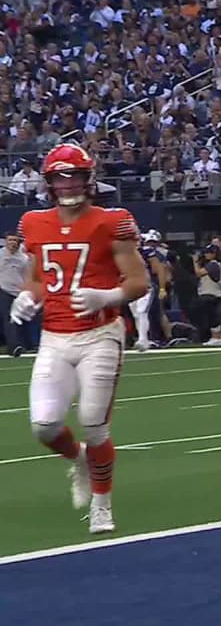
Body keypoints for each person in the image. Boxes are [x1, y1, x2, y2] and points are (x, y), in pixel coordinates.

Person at [10, 143, 149, 534]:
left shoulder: (111, 221)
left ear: (88, 178)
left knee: (93, 420)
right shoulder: (34, 223)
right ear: (48, 182)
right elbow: (37, 279)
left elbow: (140, 281)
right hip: (54, 336)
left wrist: (109, 296)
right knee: (44, 425)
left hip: (100, 334)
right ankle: (80, 459)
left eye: (74, 175)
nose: (67, 183)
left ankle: (102, 504)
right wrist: (27, 297)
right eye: (59, 176)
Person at [132, 229, 169, 352]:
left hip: (145, 285)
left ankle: (143, 339)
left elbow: (159, 269)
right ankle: (143, 339)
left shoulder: (147, 251)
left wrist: (162, 288)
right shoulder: (126, 253)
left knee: (142, 311)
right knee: (136, 314)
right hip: (131, 285)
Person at [0, 230, 31, 356]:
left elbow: (28, 275)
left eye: (15, 240)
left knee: (21, 319)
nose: (12, 243)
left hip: (19, 291)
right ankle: (13, 347)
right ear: (5, 242)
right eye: (10, 240)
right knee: (9, 319)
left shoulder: (24, 257)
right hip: (4, 290)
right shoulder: (1, 255)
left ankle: (24, 345)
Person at [193, 244, 221, 346]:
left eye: (209, 252)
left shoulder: (213, 264)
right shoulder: (211, 264)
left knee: (212, 316)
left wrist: (195, 261)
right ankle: (216, 336)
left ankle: (216, 337)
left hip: (211, 293)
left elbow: (198, 273)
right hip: (208, 293)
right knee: (210, 316)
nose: (206, 254)